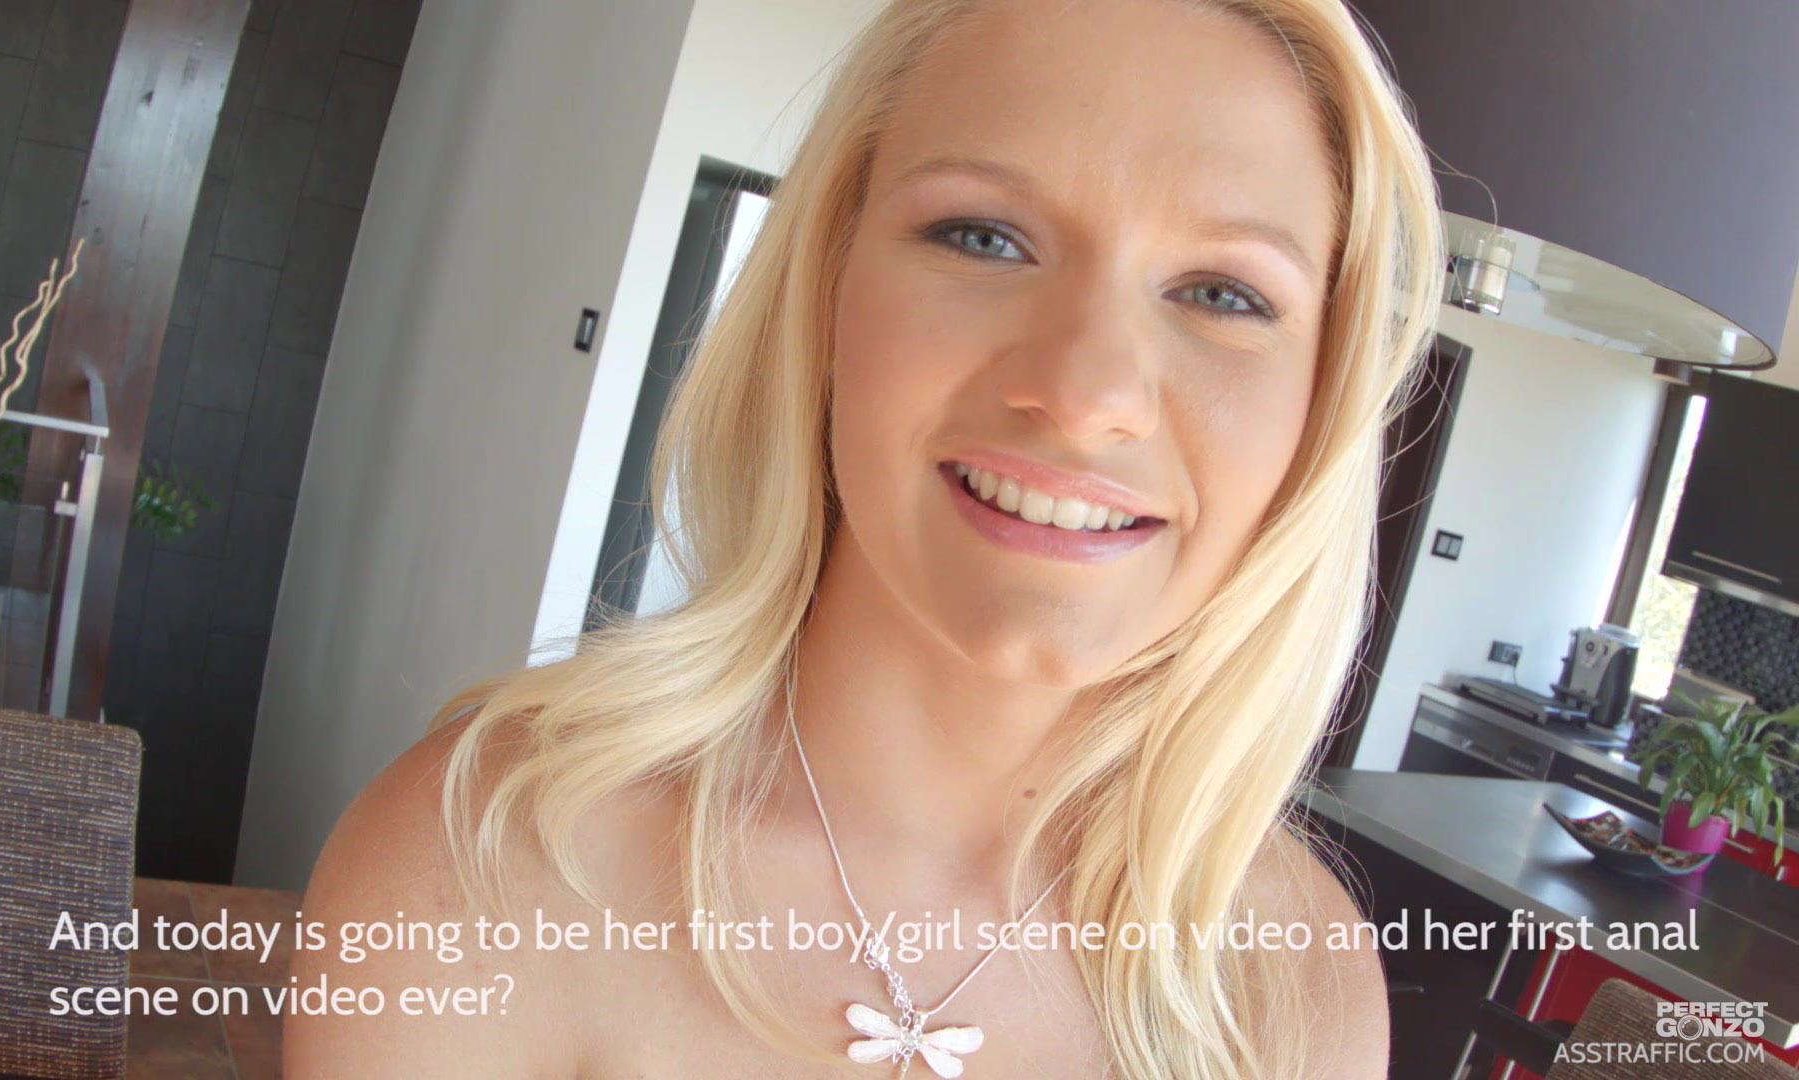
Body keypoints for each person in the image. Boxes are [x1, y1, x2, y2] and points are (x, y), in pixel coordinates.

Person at [285, 0, 1443, 1075]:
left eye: (1225, 294)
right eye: (984, 236)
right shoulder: (475, 873)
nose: (1086, 393)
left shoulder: (1303, 987)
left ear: (1320, 405)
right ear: (827, 288)